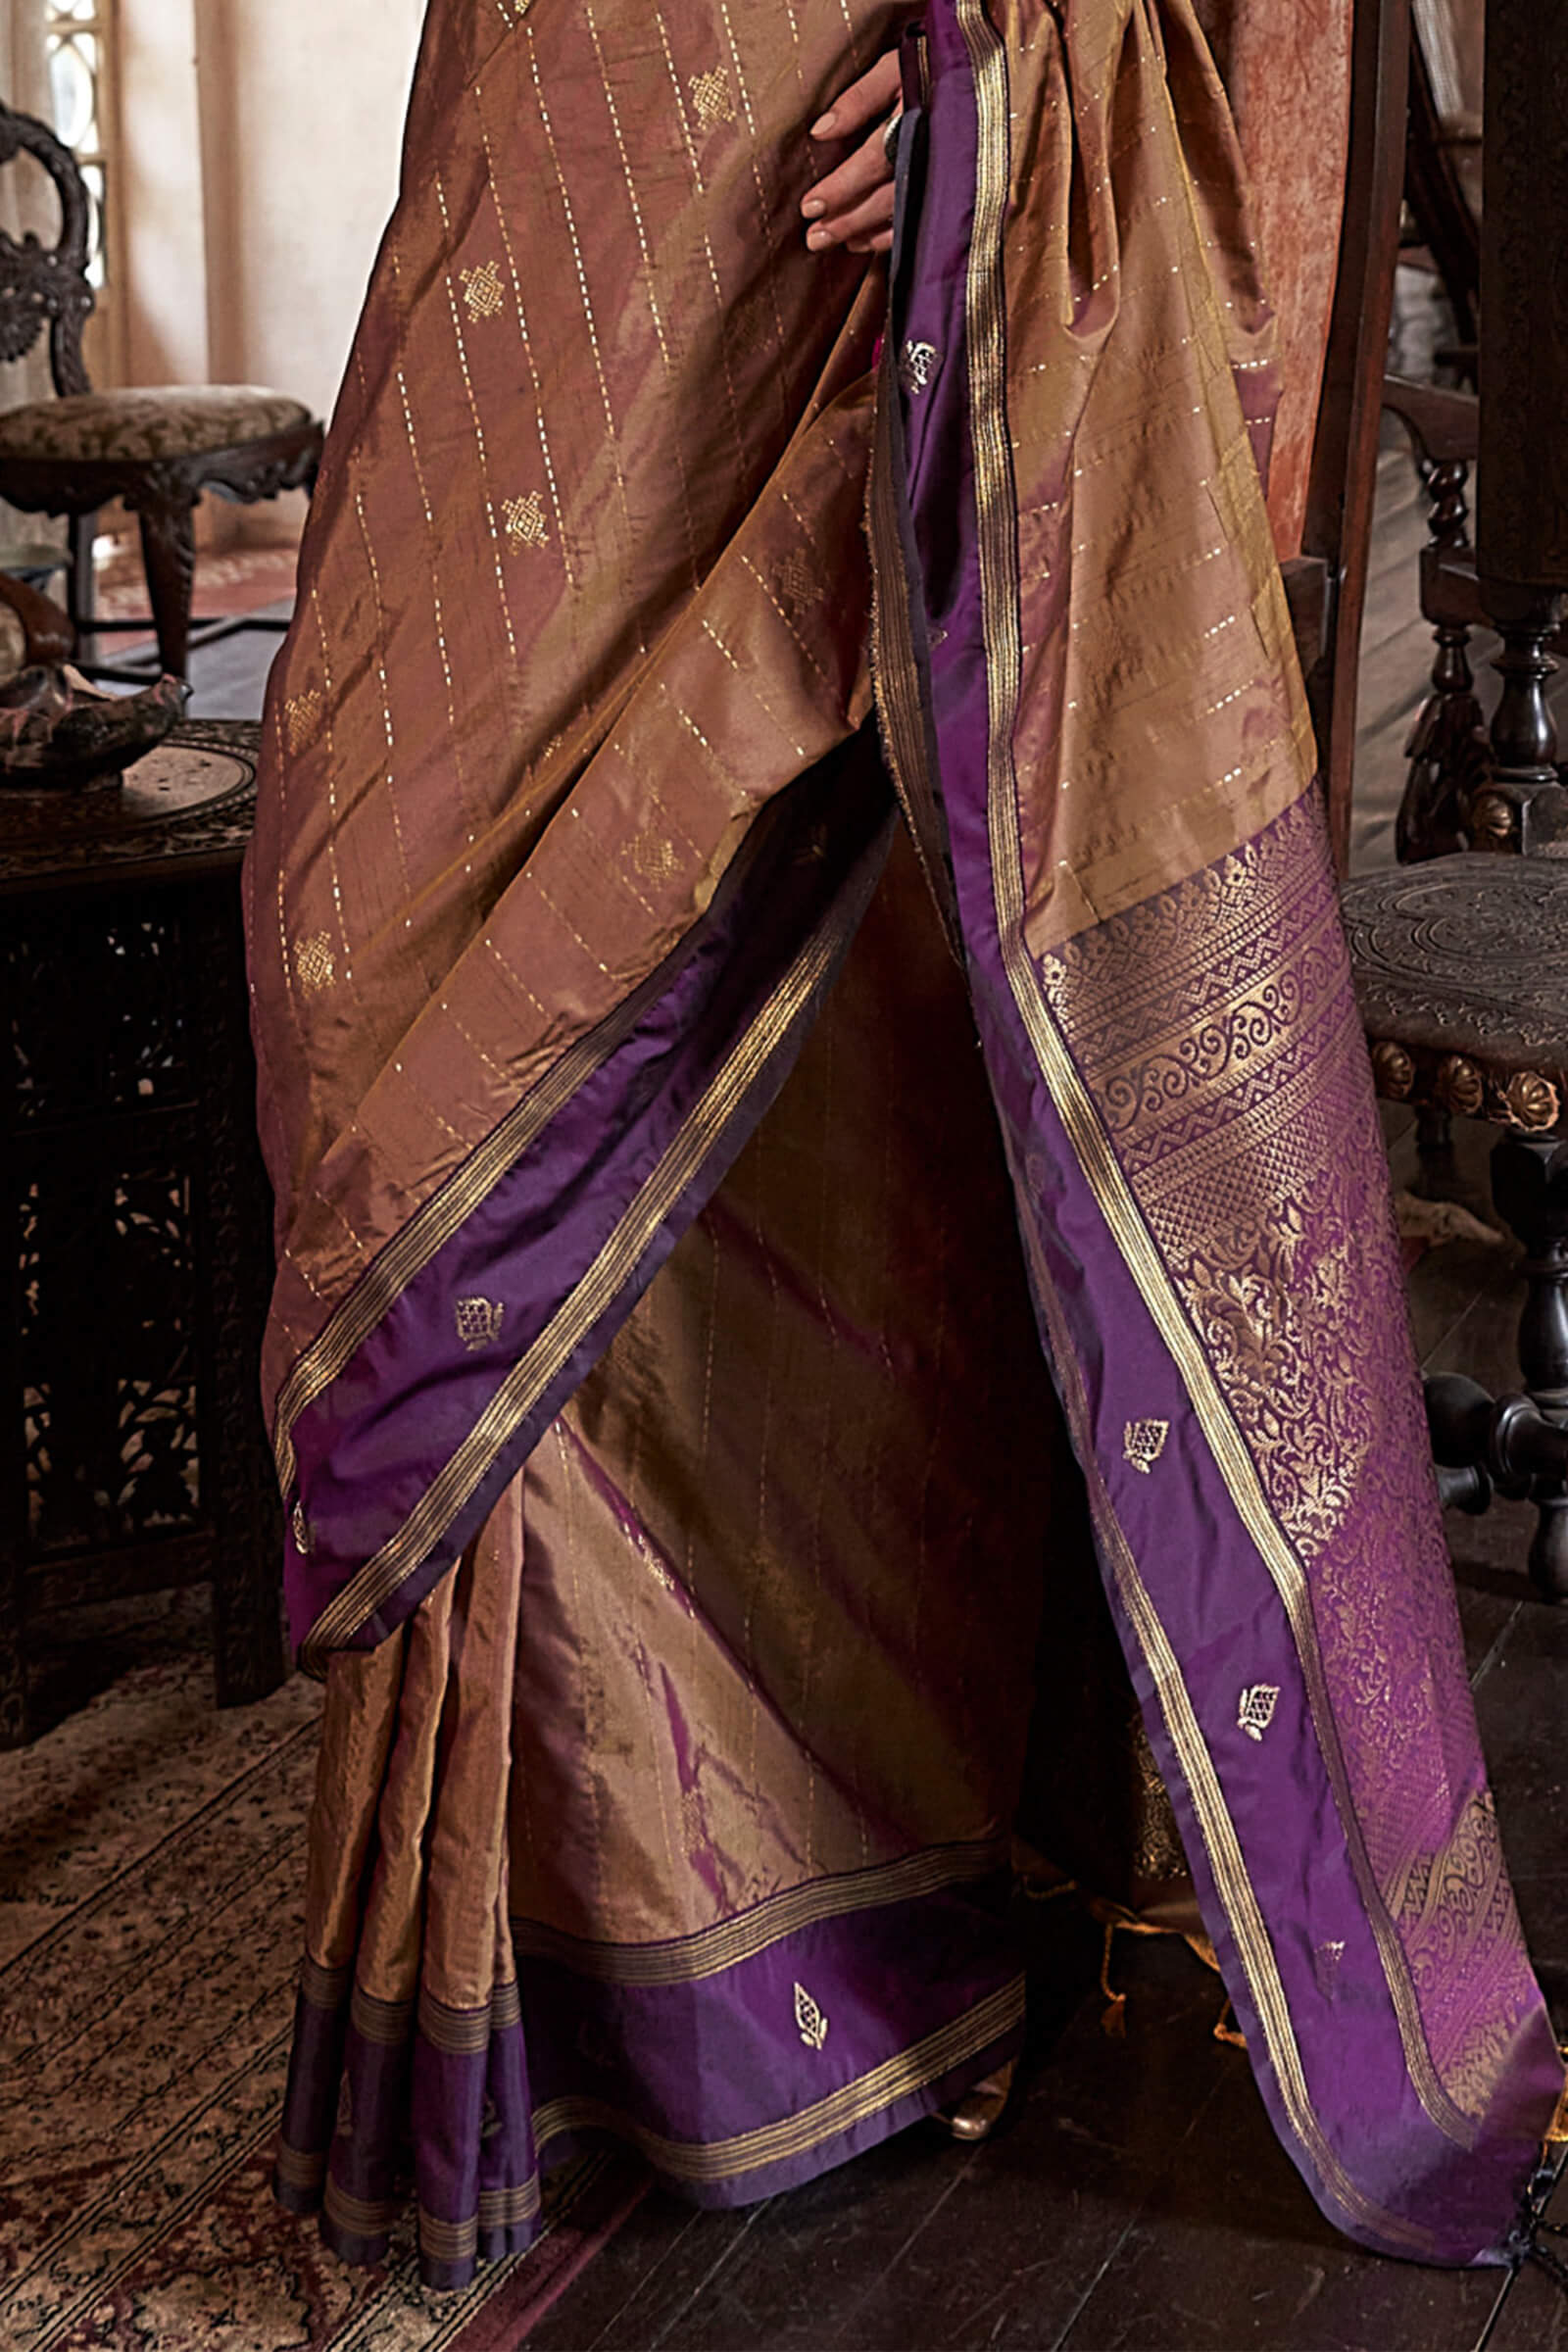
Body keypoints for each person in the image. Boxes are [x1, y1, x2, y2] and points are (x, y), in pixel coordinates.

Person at [245, 0, 1566, 2294]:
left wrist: (1018, 57)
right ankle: (577, 1959)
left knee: (803, 1052)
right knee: (364, 968)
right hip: (556, 159)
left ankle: (752, 1972)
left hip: (818, 175)